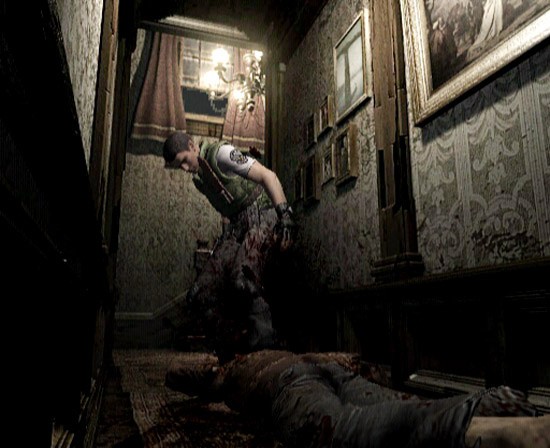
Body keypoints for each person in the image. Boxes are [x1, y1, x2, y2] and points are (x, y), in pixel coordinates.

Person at [163, 132, 295, 362]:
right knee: (199, 294)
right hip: (237, 228)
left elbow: (268, 176)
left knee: (242, 280)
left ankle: (264, 351)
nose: (184, 168)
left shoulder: (222, 154)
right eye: (178, 166)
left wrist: (285, 216)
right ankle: (231, 351)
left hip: (263, 216)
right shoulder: (201, 179)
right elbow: (227, 209)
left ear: (192, 146)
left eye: (184, 160)